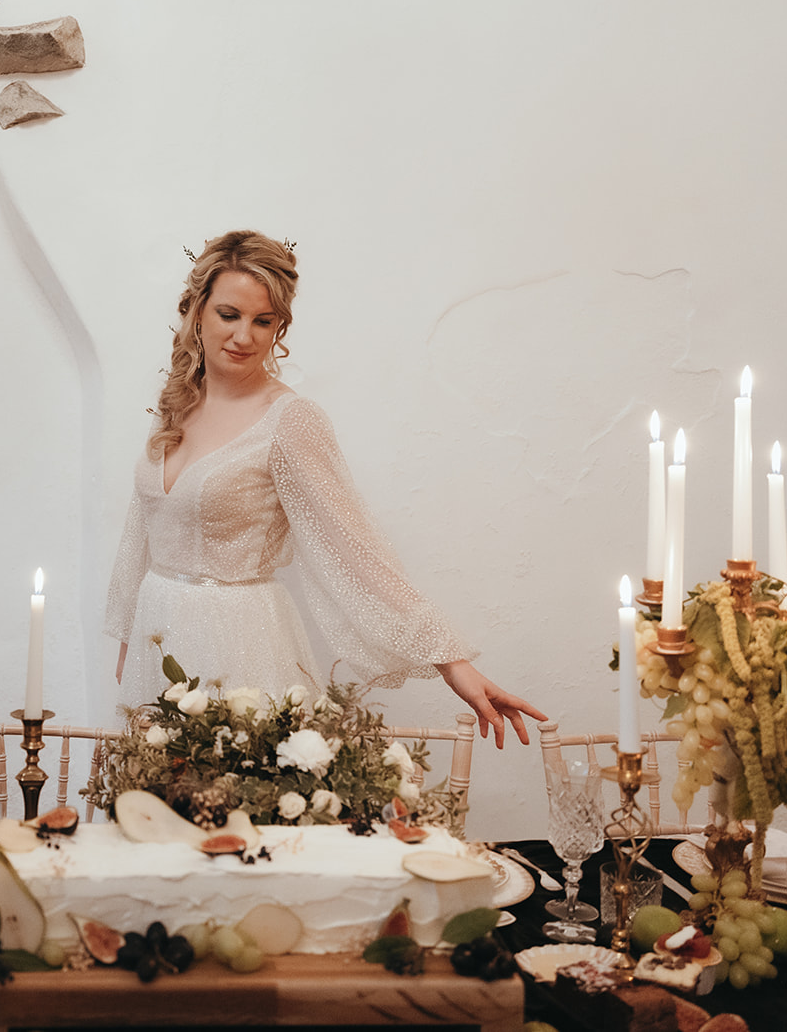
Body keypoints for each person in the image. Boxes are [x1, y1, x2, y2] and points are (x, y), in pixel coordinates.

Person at [104, 230, 546, 748]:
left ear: (279, 327)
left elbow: (356, 548)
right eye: (230, 314)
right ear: (197, 311)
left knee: (245, 811)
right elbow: (143, 526)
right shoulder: (180, 402)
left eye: (262, 321)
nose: (244, 336)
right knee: (153, 814)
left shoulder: (290, 421)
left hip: (240, 642)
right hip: (158, 641)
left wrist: (453, 663)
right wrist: (130, 635)